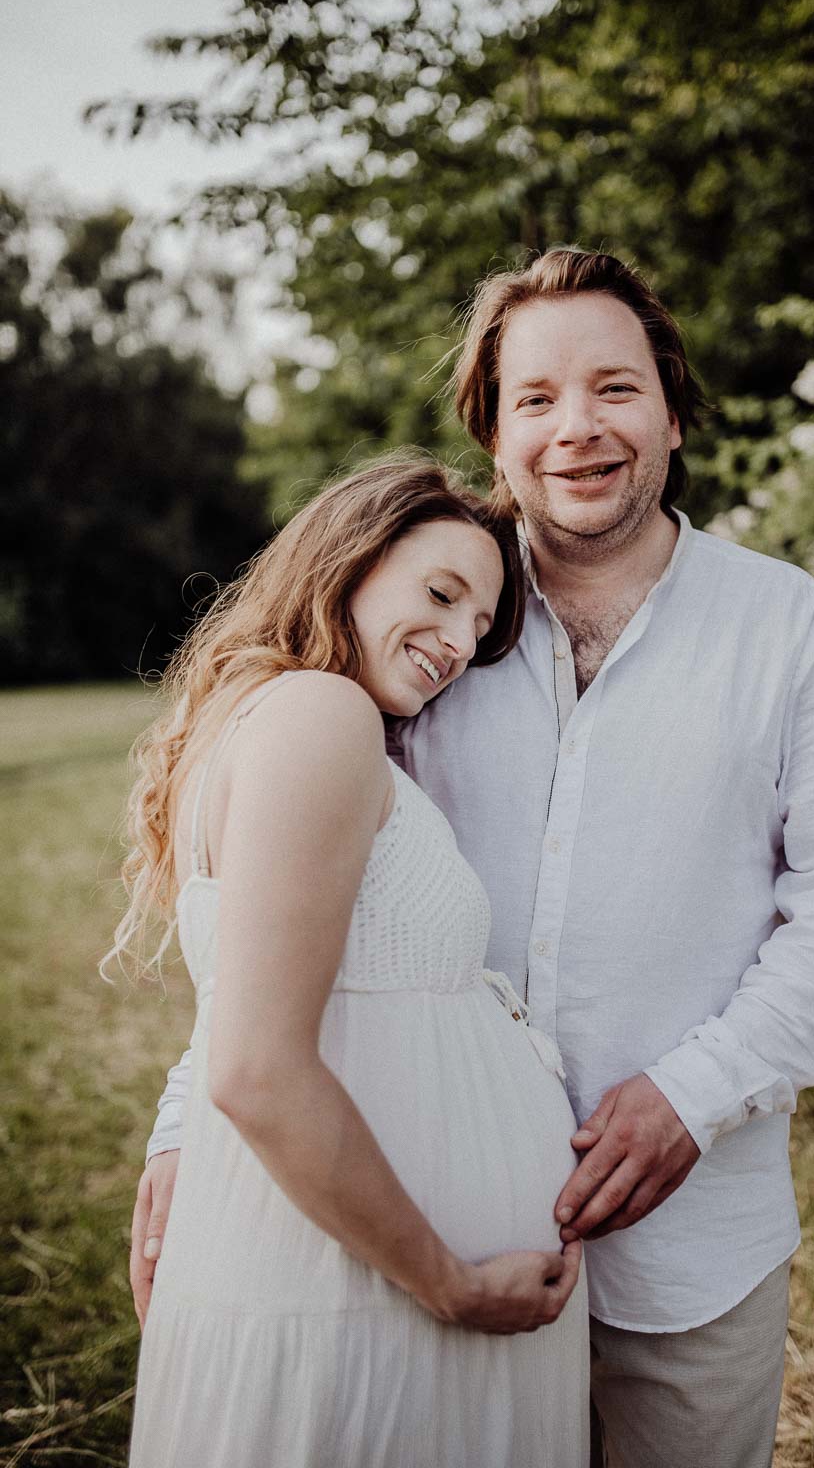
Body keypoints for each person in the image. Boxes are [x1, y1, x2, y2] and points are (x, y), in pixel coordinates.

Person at [134, 250, 814, 1468]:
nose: (578, 429)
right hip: (435, 1228)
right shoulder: (435, 629)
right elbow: (287, 904)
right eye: (536, 399)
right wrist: (191, 1118)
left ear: (668, 407)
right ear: (493, 435)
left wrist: (693, 1096)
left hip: (690, 1240)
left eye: (615, 387)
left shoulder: (788, 629)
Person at [112, 456, 589, 1468]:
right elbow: (257, 1065)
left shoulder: (265, 715)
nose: (460, 642)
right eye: (440, 593)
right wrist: (449, 1283)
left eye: (480, 623)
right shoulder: (317, 716)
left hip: (340, 1280)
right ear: (348, 558)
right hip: (361, 1297)